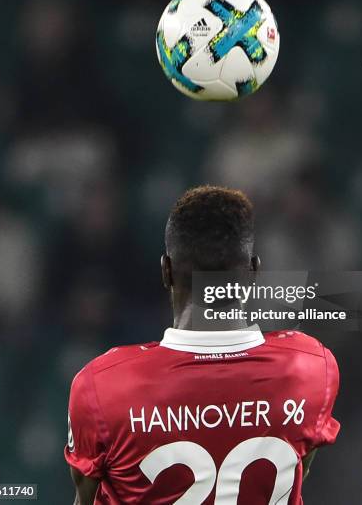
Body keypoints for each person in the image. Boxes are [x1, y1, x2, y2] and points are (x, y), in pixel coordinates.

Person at [65, 185, 340, 504]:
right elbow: (297, 472)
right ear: (254, 271)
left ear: (166, 271)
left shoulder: (101, 385)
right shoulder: (312, 367)